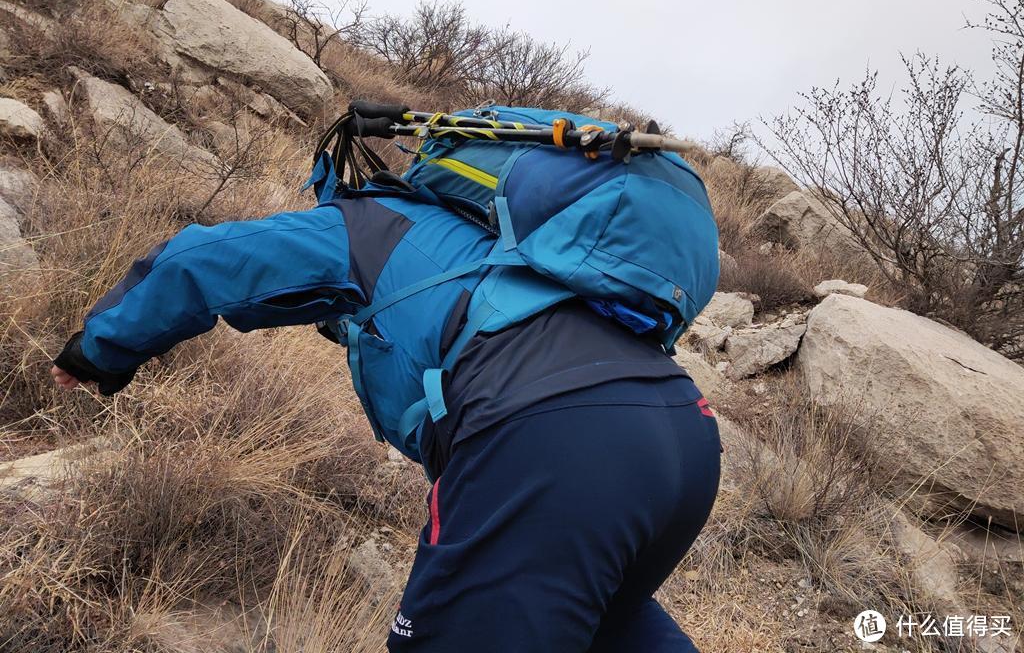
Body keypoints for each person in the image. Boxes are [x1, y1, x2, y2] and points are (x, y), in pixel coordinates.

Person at [50, 180, 721, 652]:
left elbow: (208, 259)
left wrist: (99, 350)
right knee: (607, 622)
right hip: (684, 432)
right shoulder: (498, 253)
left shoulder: (364, 225)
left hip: (551, 437)